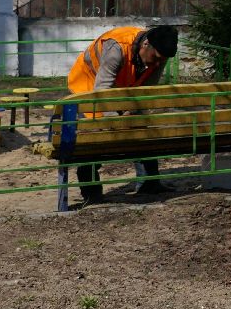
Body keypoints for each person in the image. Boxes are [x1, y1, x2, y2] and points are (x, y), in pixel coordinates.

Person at [66, 25, 180, 203]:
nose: (158, 64)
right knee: (94, 137)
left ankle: (149, 183)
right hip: (89, 84)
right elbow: (102, 91)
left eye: (162, 60)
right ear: (146, 45)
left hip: (122, 87)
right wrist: (117, 118)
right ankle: (91, 192)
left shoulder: (159, 54)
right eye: (156, 58)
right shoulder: (116, 48)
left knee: (141, 128)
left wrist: (132, 111)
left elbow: (146, 92)